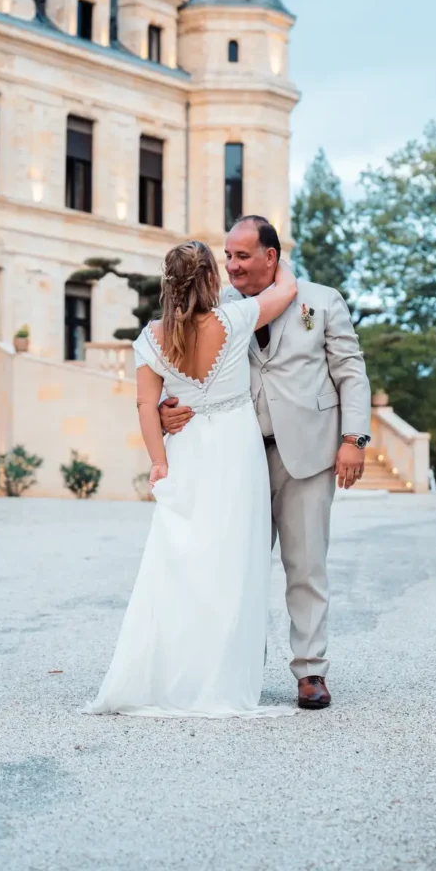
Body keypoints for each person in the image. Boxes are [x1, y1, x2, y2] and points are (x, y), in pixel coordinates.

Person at [160, 216, 372, 710]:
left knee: (306, 566)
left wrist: (354, 439)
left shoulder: (321, 301)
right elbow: (185, 368)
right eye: (227, 256)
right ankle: (241, 670)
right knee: (239, 567)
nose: (230, 265)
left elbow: (351, 373)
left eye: (242, 256)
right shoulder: (216, 310)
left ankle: (311, 672)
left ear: (270, 257)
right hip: (240, 459)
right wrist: (168, 408)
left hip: (311, 453)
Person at [84, 239, 299, 718]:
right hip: (236, 452)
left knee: (179, 563)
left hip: (186, 452)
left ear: (167, 283)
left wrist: (158, 461)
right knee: (232, 564)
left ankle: (169, 674)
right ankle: (218, 678)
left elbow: (145, 405)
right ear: (211, 281)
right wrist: (276, 261)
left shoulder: (152, 337)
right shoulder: (235, 320)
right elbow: (286, 292)